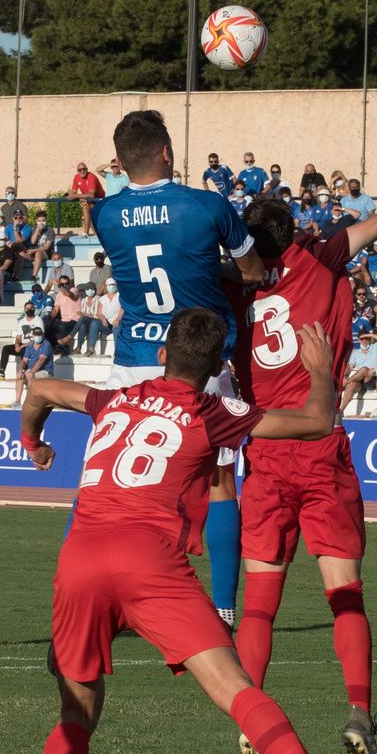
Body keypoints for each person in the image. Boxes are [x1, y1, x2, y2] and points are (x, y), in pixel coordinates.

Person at [17, 307, 364, 754]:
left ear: (161, 355)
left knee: (77, 710)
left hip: (80, 558)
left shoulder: (113, 399)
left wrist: (33, 440)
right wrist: (321, 371)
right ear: (217, 369)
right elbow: (315, 421)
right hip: (149, 563)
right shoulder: (215, 410)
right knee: (236, 690)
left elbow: (42, 388)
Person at [229, 195, 377, 754]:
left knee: (259, 604)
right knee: (345, 594)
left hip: (267, 446)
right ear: (293, 233)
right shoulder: (318, 256)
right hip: (321, 443)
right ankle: (359, 713)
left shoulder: (235, 283)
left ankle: (251, 722)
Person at [92, 110, 264, 624]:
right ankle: (225, 608)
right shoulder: (208, 205)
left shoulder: (104, 214)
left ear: (120, 163)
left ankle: (101, 605)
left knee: (108, 486)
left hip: (133, 361)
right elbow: (253, 272)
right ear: (167, 152)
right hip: (198, 359)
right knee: (217, 483)